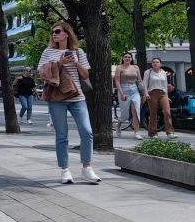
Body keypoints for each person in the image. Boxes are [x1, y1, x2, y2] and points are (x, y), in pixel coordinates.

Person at [38, 21, 101, 184]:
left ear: (67, 33)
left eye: (58, 31)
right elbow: (42, 72)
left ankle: (86, 168)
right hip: (57, 98)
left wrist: (75, 62)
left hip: (77, 97)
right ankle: (65, 170)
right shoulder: (48, 52)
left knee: (86, 131)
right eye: (53, 32)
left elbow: (85, 75)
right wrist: (59, 63)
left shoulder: (78, 52)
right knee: (62, 135)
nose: (54, 34)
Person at [142, 58, 179, 140]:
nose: (155, 63)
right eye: (154, 62)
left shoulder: (163, 72)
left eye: (157, 62)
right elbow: (144, 84)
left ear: (160, 64)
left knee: (167, 112)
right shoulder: (148, 72)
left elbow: (165, 84)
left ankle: (170, 132)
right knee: (153, 113)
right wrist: (146, 94)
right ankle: (153, 133)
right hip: (152, 93)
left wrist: (167, 96)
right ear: (152, 64)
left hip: (163, 93)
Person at [114, 52, 144, 140]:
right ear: (123, 58)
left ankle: (137, 133)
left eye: (129, 57)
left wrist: (145, 92)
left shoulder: (136, 67)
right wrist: (122, 93)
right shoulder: (119, 68)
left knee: (136, 111)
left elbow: (140, 80)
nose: (127, 58)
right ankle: (118, 125)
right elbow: (117, 81)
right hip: (123, 89)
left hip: (134, 90)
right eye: (125, 57)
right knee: (125, 115)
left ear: (131, 59)